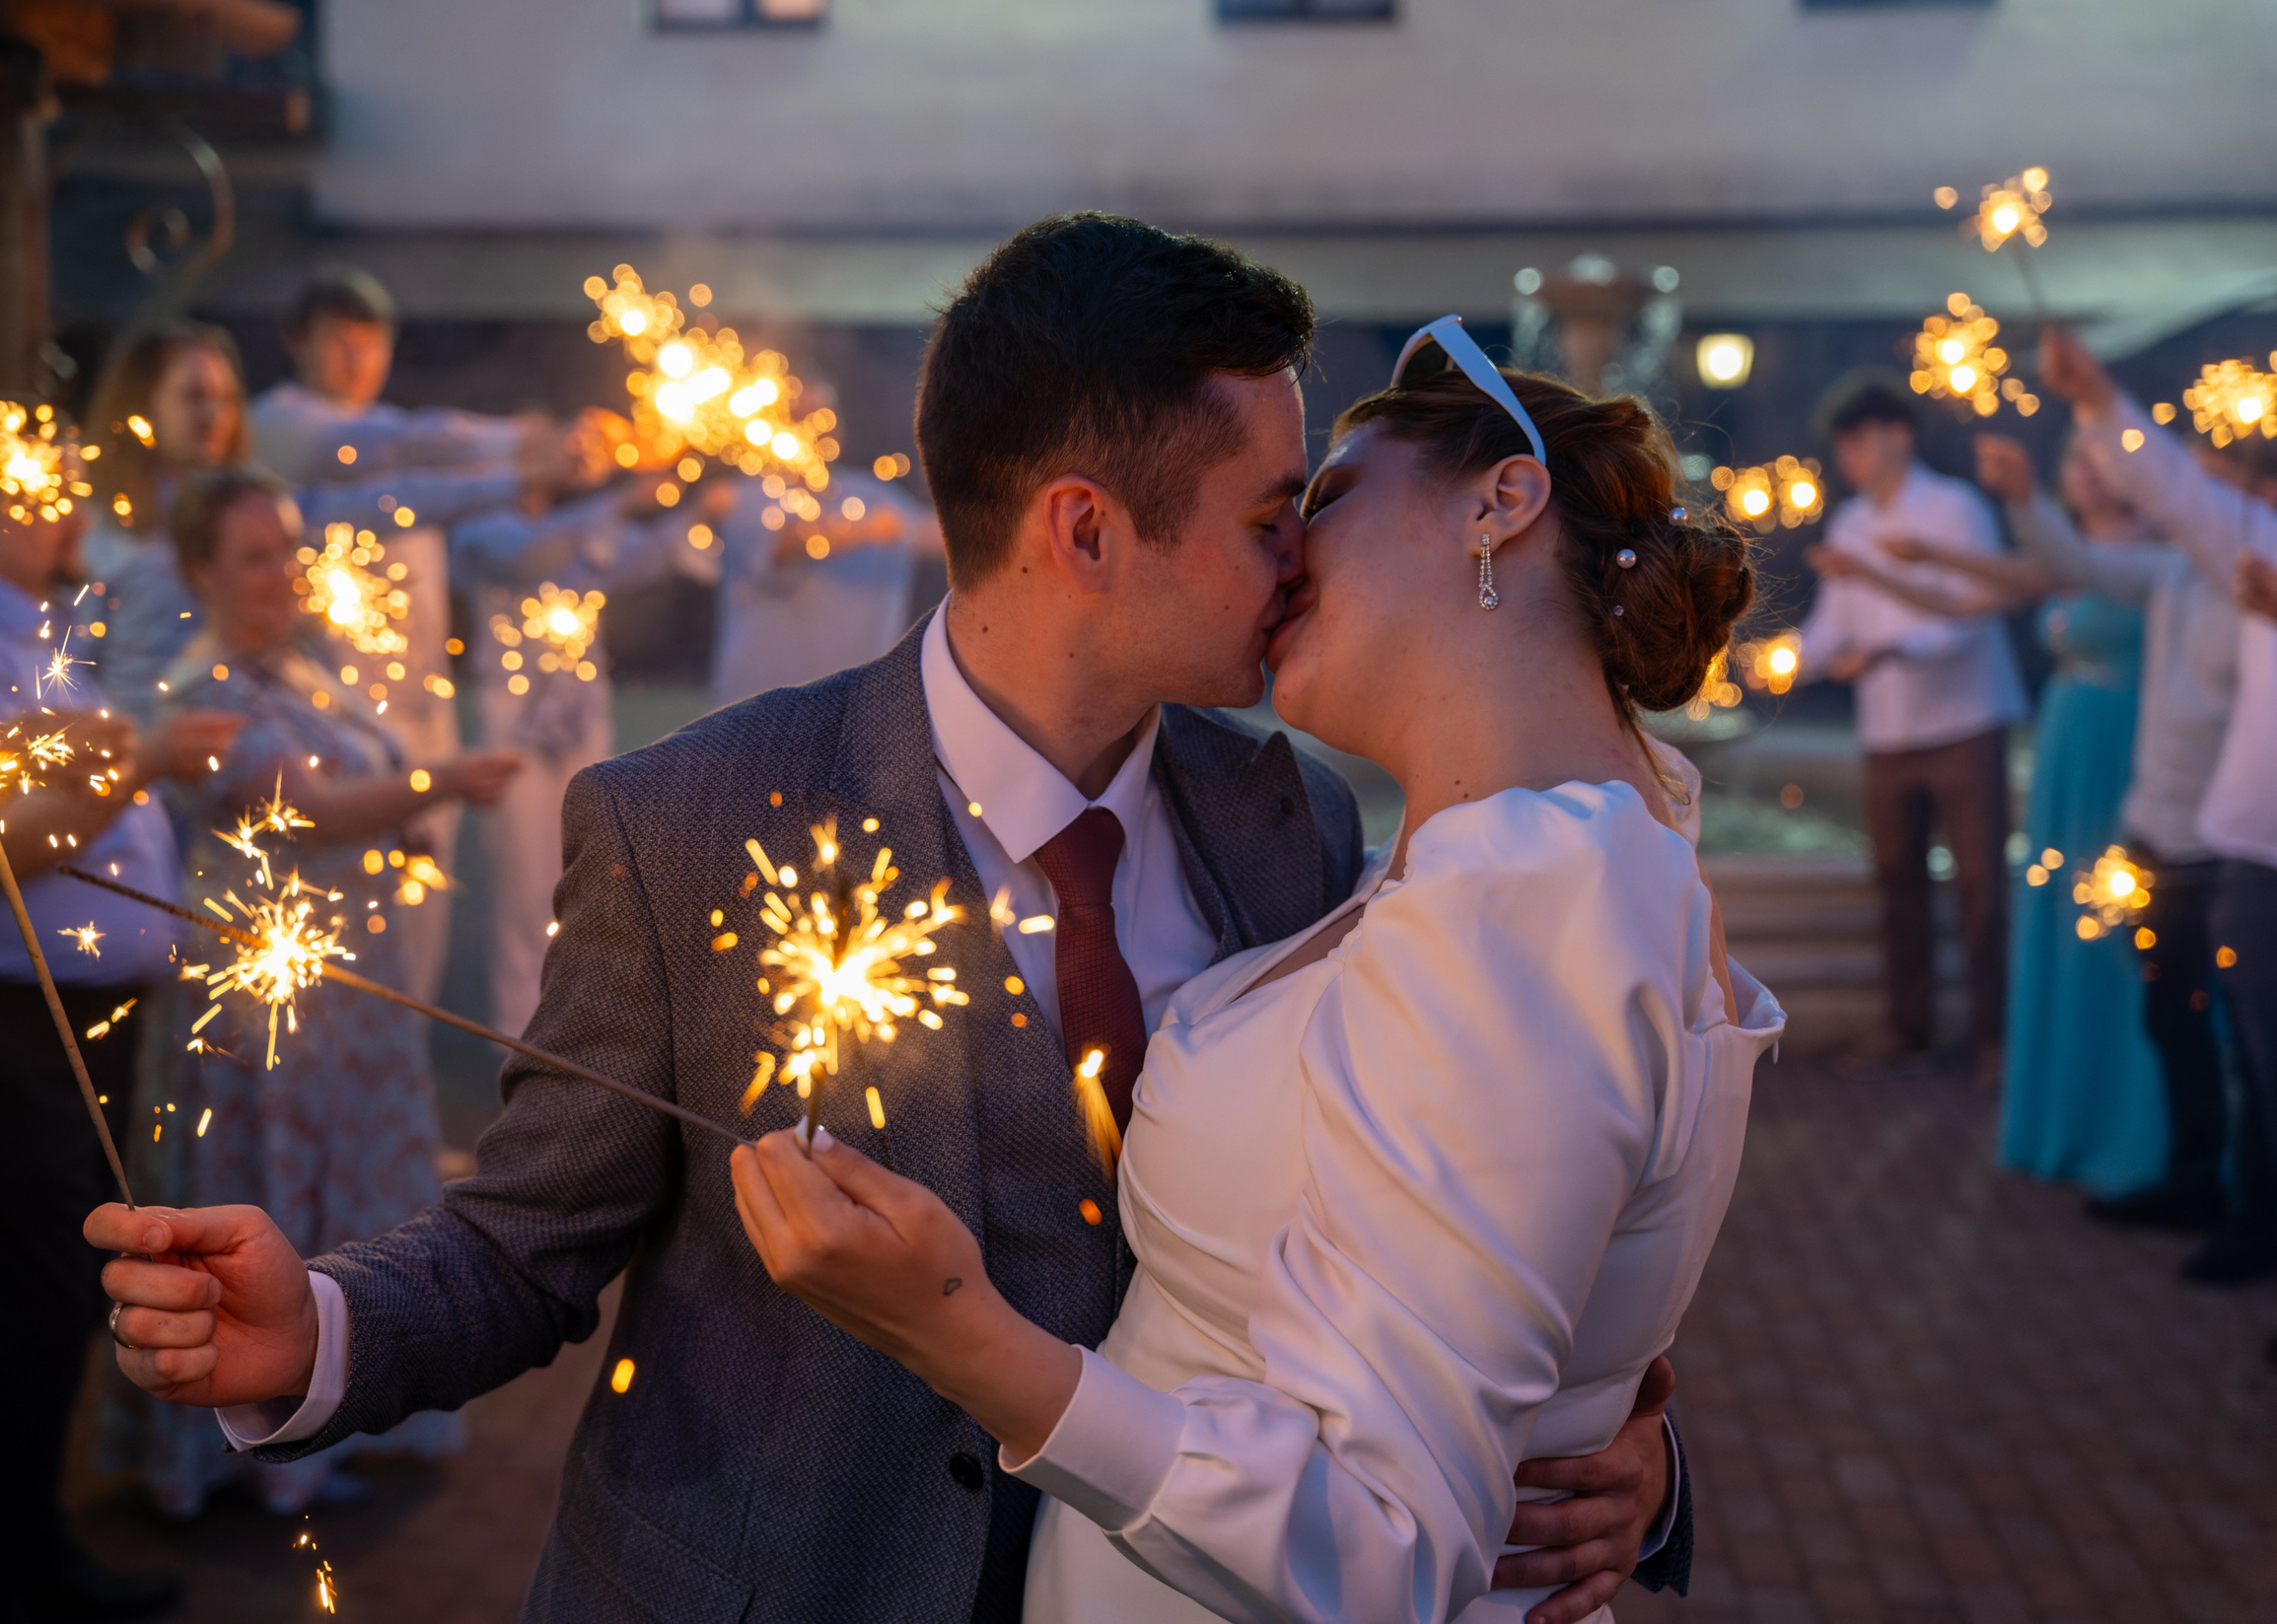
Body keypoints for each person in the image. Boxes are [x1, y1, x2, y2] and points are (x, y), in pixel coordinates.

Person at [87, 216, 1698, 1624]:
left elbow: (1427, 1216)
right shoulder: (689, 823)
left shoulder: (1290, 814)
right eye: (1270, 514)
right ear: (1085, 529)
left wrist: (1618, 1444)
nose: (1304, 563)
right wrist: (323, 1332)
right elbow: (524, 1244)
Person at [728, 322, 1779, 1623]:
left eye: (1327, 496)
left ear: (1500, 501)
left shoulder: (1529, 890)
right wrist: (1617, 1434)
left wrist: (962, 1334)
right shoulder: (1506, 854)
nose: (1281, 553)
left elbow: (1386, 1547)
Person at [0, 402, 240, 1624]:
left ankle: (29, 1553)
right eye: (56, 485)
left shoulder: (19, 616)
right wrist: (139, 758)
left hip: (61, 1017)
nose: (82, 505)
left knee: (51, 1303)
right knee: (6, 1317)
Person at [127, 465, 522, 1515]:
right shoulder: (201, 692)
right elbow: (309, 809)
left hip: (350, 990)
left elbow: (363, 788)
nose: (282, 575)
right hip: (266, 997)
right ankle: (246, 1450)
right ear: (202, 571)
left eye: (290, 551)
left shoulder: (308, 670)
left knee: (355, 1192)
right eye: (256, 557)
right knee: (270, 1199)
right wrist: (444, 780)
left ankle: (345, 1400)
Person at [249, 267, 604, 1003]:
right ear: (298, 344)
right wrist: (525, 444)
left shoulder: (396, 452)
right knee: (340, 948)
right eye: (341, 344)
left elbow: (422, 479)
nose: (358, 363)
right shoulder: (285, 426)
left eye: (372, 345)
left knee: (416, 949)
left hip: (421, 720)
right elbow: (402, 465)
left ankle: (393, 1100)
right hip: (334, 723)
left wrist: (531, 467)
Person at [1819, 441, 2165, 1185]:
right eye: (2075, 460)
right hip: (2067, 745)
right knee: (2066, 912)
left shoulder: (2156, 554)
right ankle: (2069, 1108)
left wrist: (1993, 513)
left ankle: (2137, 1118)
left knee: (2124, 924)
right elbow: (1956, 599)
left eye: (2099, 458)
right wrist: (1881, 567)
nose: (2086, 467)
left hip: (2129, 746)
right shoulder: (2068, 558)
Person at [1969, 433, 2255, 1258]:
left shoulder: (2211, 571)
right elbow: (2068, 561)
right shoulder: (2155, 567)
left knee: (2191, 995)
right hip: (2126, 794)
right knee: (2148, 985)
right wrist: (2023, 495)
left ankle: (2195, 1167)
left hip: (2188, 801)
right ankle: (2168, 1164)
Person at [2046, 324, 2277, 1291]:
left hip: (2238, 843)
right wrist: (2096, 405)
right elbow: (2167, 498)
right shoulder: (2238, 548)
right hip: (2235, 837)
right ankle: (2221, 1196)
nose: (2210, 478)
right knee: (2213, 1033)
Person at [1801, 375, 2027, 1084]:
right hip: (1887, 729)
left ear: (1899, 434)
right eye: (1842, 448)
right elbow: (1831, 623)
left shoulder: (1954, 508)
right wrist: (1776, 665)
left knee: (1982, 884)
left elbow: (1970, 614)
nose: (1849, 460)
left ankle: (1996, 1039)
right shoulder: (1850, 524)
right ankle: (1909, 1025)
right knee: (1897, 881)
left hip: (1964, 719)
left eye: (1857, 442)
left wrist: (1891, 650)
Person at [450, 482, 717, 1034]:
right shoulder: (485, 530)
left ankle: (571, 1037)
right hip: (514, 733)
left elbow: (649, 555)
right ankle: (518, 1044)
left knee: (584, 884)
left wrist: (698, 511)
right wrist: (620, 500)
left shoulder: (585, 530)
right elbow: (531, 552)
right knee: (526, 896)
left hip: (581, 726)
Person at [79, 323, 255, 712]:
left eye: (226, 399)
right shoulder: (102, 529)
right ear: (142, 405)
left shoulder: (243, 515)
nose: (214, 414)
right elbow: (68, 669)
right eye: (194, 397)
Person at [707, 440, 946, 707]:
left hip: (854, 704)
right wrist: (863, 530)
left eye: (822, 413)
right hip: (759, 706)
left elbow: (933, 532)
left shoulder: (868, 492)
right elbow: (782, 543)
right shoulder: (744, 497)